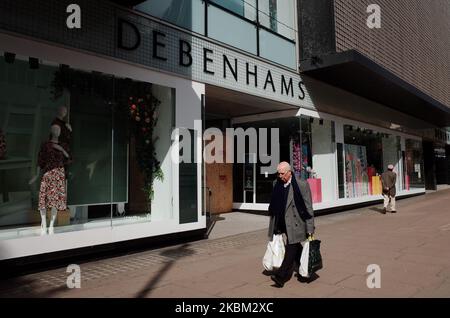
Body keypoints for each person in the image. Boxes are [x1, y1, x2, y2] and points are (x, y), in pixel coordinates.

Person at [268, 162, 315, 288]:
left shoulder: (301, 184)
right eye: (278, 173)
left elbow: (308, 207)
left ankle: (281, 276)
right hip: (282, 222)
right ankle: (306, 270)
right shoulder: (276, 183)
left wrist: (310, 228)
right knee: (296, 248)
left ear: (289, 172)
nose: (279, 176)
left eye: (282, 173)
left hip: (296, 223)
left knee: (291, 247)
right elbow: (275, 204)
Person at [29, 125, 70, 235]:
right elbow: (40, 160)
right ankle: (44, 223)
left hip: (58, 175)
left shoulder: (63, 145)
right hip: (47, 173)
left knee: (55, 202)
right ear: (51, 131)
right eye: (55, 129)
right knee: (43, 200)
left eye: (59, 129)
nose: (57, 131)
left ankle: (51, 225)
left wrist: (61, 149)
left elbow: (69, 158)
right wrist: (37, 175)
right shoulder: (46, 144)